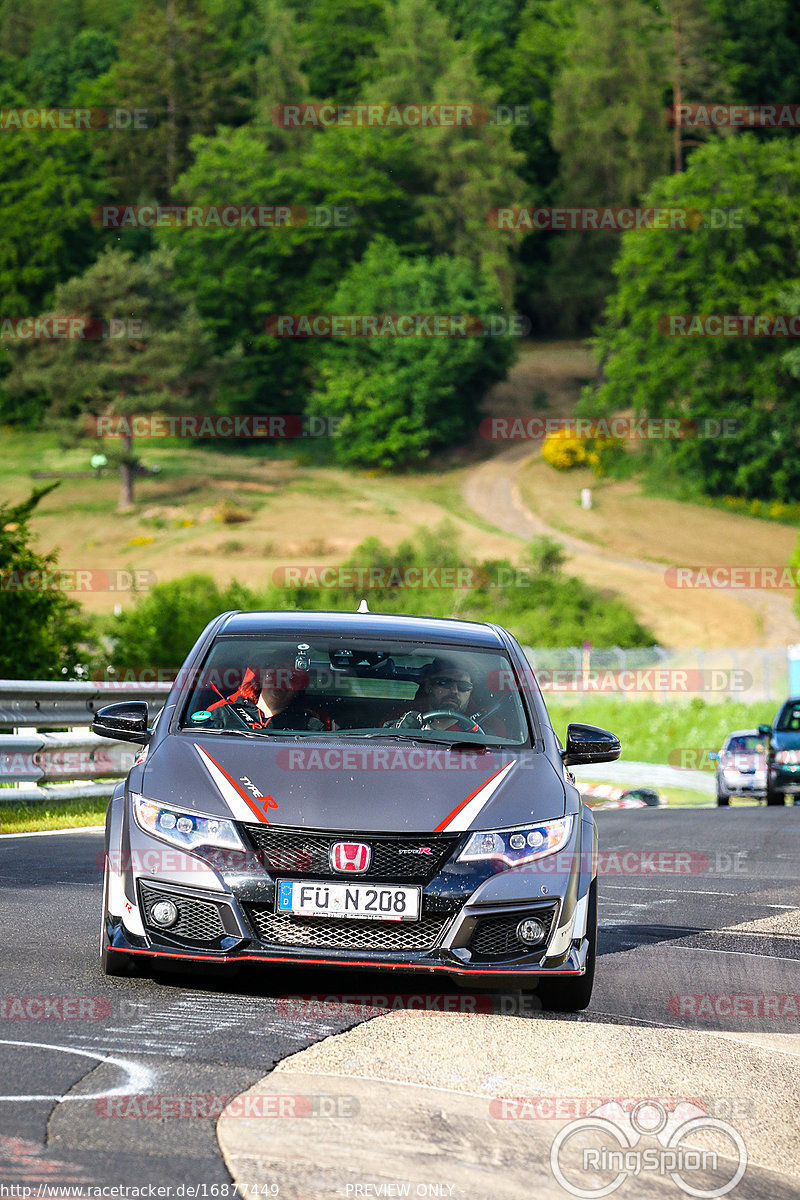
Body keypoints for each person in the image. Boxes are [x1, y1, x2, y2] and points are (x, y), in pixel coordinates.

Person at [206, 649, 333, 732]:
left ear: (298, 690)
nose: (281, 681)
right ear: (261, 676)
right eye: (275, 672)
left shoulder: (309, 727)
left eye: (292, 677)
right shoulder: (224, 714)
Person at [384, 657, 479, 732]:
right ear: (428, 686)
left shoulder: (485, 731)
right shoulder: (401, 723)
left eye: (463, 686)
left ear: (471, 691)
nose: (454, 691)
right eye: (445, 682)